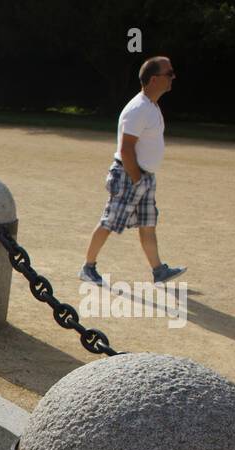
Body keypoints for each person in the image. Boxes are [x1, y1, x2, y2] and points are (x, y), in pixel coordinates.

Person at [80, 56, 186, 286]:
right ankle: (88, 268)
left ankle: (159, 271)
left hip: (144, 177)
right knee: (109, 221)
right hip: (130, 175)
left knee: (148, 225)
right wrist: (137, 179)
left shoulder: (152, 106)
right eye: (170, 73)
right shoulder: (138, 109)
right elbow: (126, 148)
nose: (173, 77)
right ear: (154, 79)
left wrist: (144, 179)